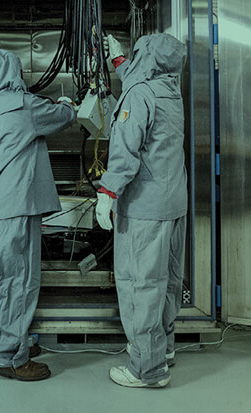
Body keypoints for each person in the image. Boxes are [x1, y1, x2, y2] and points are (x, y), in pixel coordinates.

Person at [0, 48, 77, 381]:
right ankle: (12, 359)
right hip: (16, 205)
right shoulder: (22, 105)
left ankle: (2, 341)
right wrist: (70, 105)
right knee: (18, 280)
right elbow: (62, 118)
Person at [95, 33, 188, 389]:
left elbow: (125, 152)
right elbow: (141, 84)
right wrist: (119, 61)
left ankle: (146, 370)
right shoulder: (168, 91)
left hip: (145, 208)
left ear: (146, 58)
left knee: (140, 285)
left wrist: (107, 192)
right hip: (172, 203)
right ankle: (161, 350)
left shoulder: (140, 95)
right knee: (167, 283)